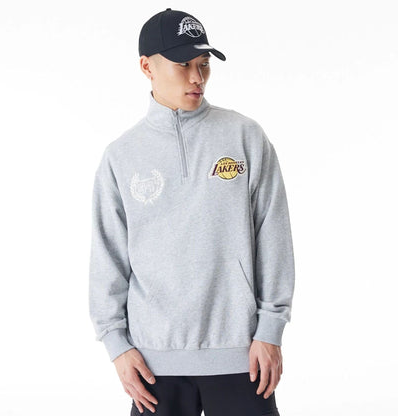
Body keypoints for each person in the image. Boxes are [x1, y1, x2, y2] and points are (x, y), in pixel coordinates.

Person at [88, 8, 295, 416]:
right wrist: (117, 345)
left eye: (203, 64)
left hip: (243, 356)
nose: (197, 77)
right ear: (147, 67)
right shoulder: (121, 157)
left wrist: (271, 328)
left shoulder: (245, 137)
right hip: (153, 365)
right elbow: (107, 258)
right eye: (183, 65)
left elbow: (273, 236)